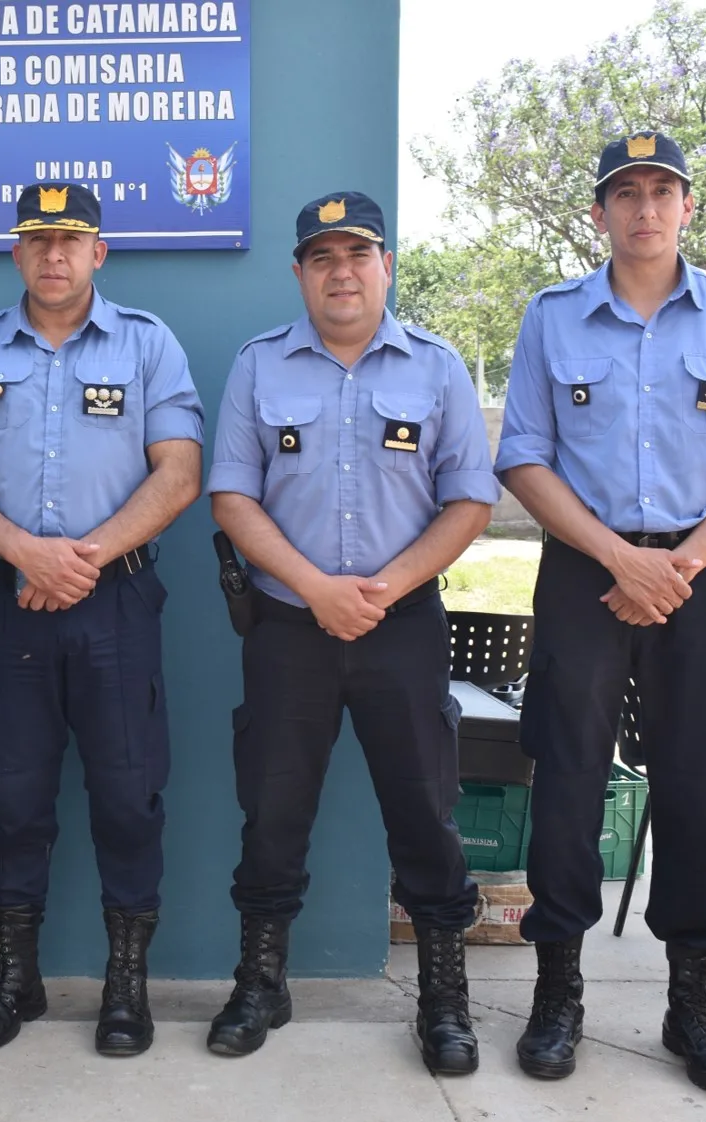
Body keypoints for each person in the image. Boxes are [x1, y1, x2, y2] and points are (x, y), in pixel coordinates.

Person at [496, 131, 706, 1095]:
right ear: (601, 212)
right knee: (570, 775)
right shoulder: (553, 317)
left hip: (696, 578)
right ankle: (558, 993)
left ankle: (691, 1003)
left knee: (698, 780)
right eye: (627, 193)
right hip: (586, 572)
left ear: (688, 207)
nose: (646, 208)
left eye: (664, 190)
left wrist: (681, 565)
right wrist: (621, 558)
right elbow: (526, 457)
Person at [206, 191, 498, 1073]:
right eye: (322, 256)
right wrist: (315, 589)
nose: (341, 271)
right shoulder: (259, 367)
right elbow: (232, 497)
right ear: (299, 271)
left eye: (357, 254)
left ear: (386, 264)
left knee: (424, 810)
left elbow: (471, 499)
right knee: (273, 808)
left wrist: (381, 589)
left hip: (401, 626)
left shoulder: (439, 367)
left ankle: (444, 999)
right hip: (290, 627)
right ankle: (262, 981)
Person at [0, 182, 204, 1056]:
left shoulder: (148, 345)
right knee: (14, 800)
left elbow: (180, 471)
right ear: (16, 253)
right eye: (38, 239)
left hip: (114, 602)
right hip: (11, 606)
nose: (54, 255)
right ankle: (18, 979)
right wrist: (25, 553)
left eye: (71, 239)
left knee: (128, 797)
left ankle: (126, 987)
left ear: (98, 253)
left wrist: (77, 558)